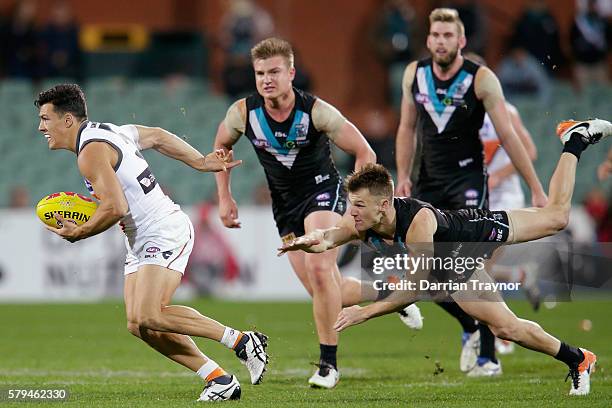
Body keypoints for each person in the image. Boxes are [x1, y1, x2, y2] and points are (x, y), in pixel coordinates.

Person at [279, 117, 611, 395]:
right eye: (352, 206)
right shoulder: (361, 222)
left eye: (359, 206)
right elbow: (327, 237)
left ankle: (575, 139)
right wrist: (307, 241)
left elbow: (412, 290)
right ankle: (579, 358)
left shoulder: (417, 223)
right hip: (453, 270)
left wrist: (362, 314)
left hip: (475, 234)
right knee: (506, 329)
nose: (352, 213)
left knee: (557, 217)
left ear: (383, 205)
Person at [36, 84, 269, 402]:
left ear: (67, 120)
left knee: (150, 314)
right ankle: (219, 379)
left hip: (162, 229)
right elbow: (158, 135)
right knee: (138, 324)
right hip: (140, 235)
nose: (41, 127)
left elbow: (115, 207)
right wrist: (200, 162)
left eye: (45, 119)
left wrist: (80, 232)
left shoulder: (90, 151)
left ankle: (241, 341)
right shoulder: (110, 131)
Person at [214, 37, 376, 388]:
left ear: (291, 73)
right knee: (321, 289)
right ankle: (391, 294)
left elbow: (364, 152)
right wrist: (224, 197)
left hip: (323, 193)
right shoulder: (243, 112)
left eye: (274, 72)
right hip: (285, 207)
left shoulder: (316, 111)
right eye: (260, 73)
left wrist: (356, 204)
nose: (266, 79)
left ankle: (328, 366)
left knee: (320, 270)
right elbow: (221, 146)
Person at [395, 8, 547, 376]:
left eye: (449, 35)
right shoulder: (414, 74)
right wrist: (402, 175)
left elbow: (510, 137)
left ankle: (488, 357)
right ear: (428, 39)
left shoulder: (481, 79)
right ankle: (469, 326)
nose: (441, 41)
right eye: (436, 35)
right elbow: (406, 127)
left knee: (466, 270)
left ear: (462, 40)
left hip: (467, 185)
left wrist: (536, 188)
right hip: (427, 184)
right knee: (427, 273)